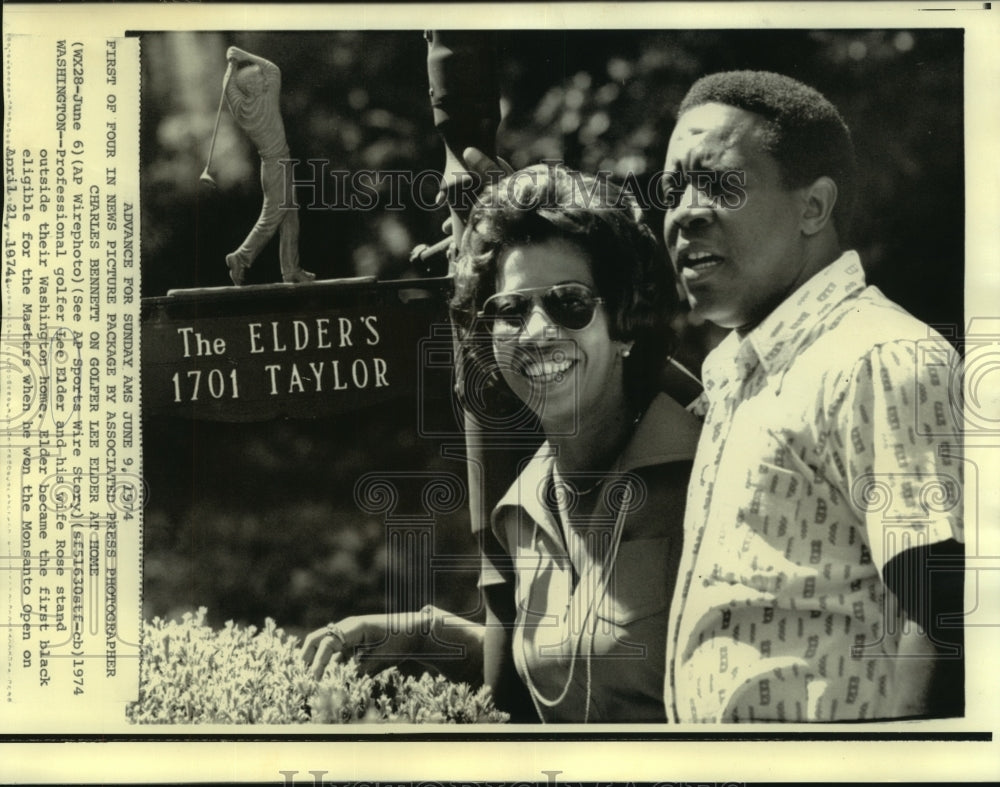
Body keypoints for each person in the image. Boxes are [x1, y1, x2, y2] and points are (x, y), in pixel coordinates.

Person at [302, 163, 702, 722]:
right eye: (511, 311)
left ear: (626, 320)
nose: (537, 333)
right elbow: (563, 670)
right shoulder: (519, 506)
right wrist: (426, 634)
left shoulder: (707, 473)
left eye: (569, 303)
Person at [660, 70, 964, 722]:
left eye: (717, 182)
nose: (684, 209)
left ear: (813, 207)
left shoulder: (877, 357)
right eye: (672, 187)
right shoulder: (742, 372)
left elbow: (951, 625)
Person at [223, 46, 315, 285]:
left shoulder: (241, 109)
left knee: (290, 216)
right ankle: (241, 257)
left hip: (273, 165)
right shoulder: (267, 97)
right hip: (277, 166)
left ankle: (290, 269)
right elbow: (272, 68)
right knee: (272, 217)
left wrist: (231, 67)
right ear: (253, 86)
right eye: (258, 78)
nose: (264, 79)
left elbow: (228, 88)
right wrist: (242, 56)